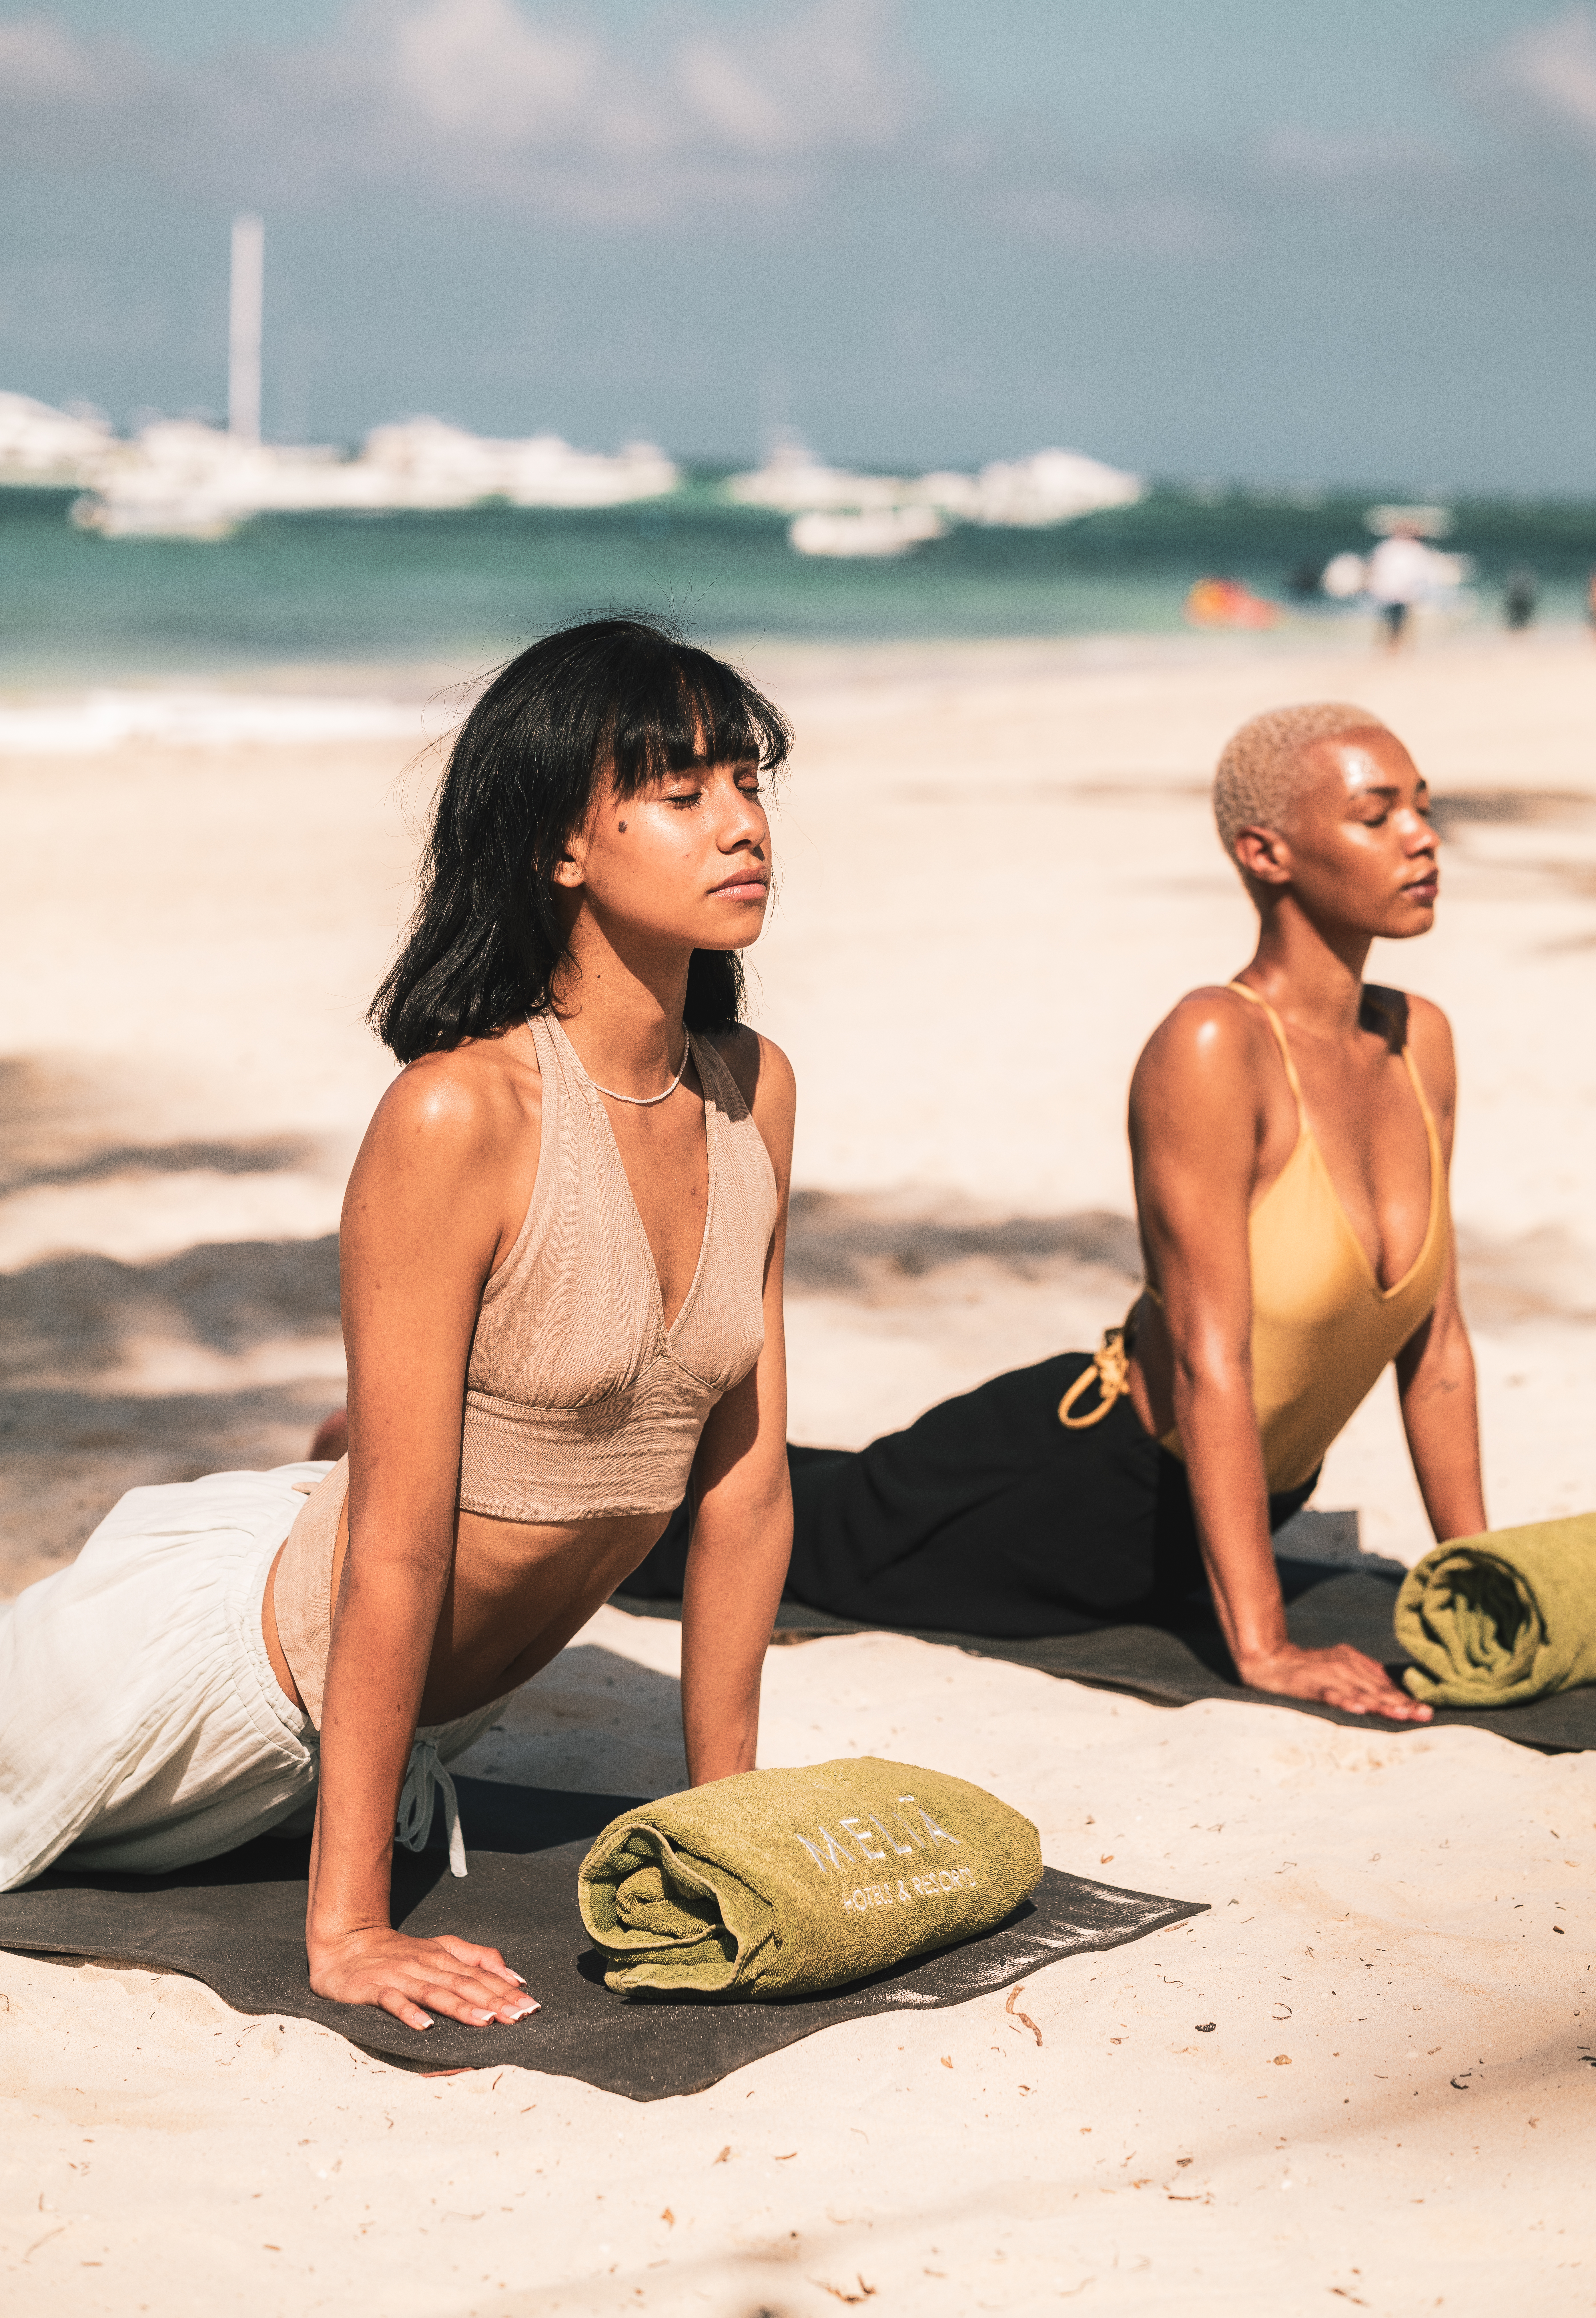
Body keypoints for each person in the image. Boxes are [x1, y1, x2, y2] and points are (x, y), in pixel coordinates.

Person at [0, 618, 797, 2037]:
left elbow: (743, 1488)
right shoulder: (460, 1112)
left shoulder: (753, 1088)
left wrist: (724, 1828)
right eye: (684, 793)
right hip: (211, 1680)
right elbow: (402, 1536)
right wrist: (348, 1920)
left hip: (387, 1700)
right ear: (563, 845)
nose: (742, 824)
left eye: (748, 781)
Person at [629, 702, 1489, 1724]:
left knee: (813, 1492)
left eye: (1422, 809)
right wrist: (1261, 1646)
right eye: (1376, 814)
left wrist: (1477, 1578)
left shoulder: (1416, 1040)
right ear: (1264, 851)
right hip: (1084, 1483)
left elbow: (1433, 1349)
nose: (1420, 836)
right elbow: (1214, 1361)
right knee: (782, 1531)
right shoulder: (1214, 1043)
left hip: (1240, 1502)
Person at [1363, 526, 1434, 648]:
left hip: (1393, 591)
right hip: (1391, 591)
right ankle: (1393, 648)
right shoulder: (1407, 549)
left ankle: (1392, 648)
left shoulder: (1388, 547)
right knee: (1394, 622)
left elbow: (1375, 566)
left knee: (1392, 622)